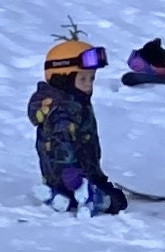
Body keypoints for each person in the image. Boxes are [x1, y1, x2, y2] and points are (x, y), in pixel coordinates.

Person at [29, 38, 127, 211]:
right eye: (83, 79)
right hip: (76, 176)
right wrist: (70, 171)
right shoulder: (64, 109)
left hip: (62, 175)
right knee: (118, 200)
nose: (89, 84)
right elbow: (61, 139)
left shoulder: (71, 102)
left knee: (72, 193)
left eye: (92, 78)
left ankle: (59, 197)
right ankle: (96, 200)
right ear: (62, 79)